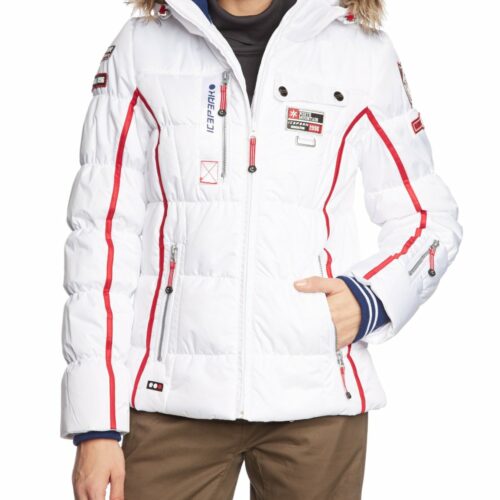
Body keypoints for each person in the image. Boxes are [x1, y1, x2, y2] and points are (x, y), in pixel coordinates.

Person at [62, 0, 463, 498]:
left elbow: (428, 219)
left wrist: (371, 301)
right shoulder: (141, 47)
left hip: (317, 404)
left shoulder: (361, 52)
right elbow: (101, 236)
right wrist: (95, 423)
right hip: (171, 402)